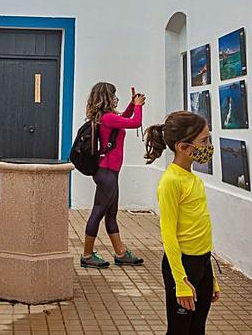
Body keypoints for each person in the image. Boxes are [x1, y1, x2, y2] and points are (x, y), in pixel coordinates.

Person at [144, 111, 220, 335]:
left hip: (202, 264)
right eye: (204, 141)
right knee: (179, 331)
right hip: (183, 266)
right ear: (183, 148)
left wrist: (211, 278)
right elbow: (168, 235)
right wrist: (180, 280)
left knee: (197, 329)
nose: (209, 146)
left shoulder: (194, 179)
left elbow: (201, 233)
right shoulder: (171, 182)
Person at [80, 82, 145, 269]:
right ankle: (86, 255)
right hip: (106, 172)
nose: (116, 98)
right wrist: (138, 106)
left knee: (111, 214)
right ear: (107, 97)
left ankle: (121, 253)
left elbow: (124, 118)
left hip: (109, 172)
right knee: (99, 211)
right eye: (113, 95)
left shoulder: (108, 118)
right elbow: (135, 122)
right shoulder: (107, 118)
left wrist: (133, 105)